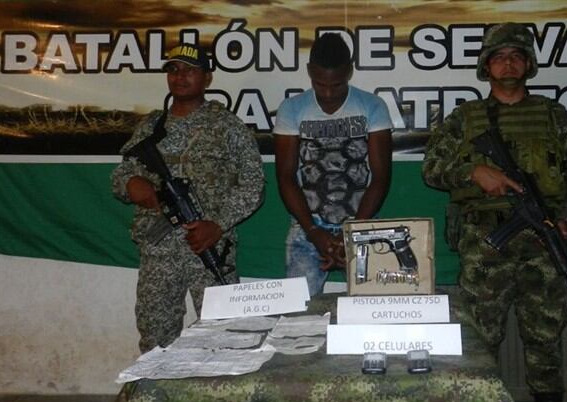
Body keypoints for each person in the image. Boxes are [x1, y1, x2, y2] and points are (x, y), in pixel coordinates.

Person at [422, 23, 567, 402]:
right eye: (499, 56)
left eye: (517, 55)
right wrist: (473, 173)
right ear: (486, 66)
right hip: (486, 242)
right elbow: (432, 168)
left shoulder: (555, 116)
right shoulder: (464, 119)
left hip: (542, 239)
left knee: (545, 333)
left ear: (529, 64)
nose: (508, 63)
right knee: (480, 337)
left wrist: (564, 220)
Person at [112, 43, 264, 353]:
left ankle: (221, 399)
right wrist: (132, 185)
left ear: (207, 78)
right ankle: (154, 397)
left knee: (226, 333)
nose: (180, 77)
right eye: (173, 70)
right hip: (159, 249)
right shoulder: (151, 126)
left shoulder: (227, 126)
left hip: (208, 248)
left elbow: (254, 186)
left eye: (190, 71)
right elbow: (121, 174)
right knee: (155, 336)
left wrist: (218, 225)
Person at [273, 33, 393, 295]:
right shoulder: (292, 108)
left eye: (337, 85)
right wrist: (313, 231)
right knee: (297, 318)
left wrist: (352, 233)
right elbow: (285, 177)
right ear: (309, 72)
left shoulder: (372, 106)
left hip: (362, 223)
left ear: (349, 71)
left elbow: (381, 178)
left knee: (369, 314)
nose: (328, 94)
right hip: (307, 228)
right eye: (319, 84)